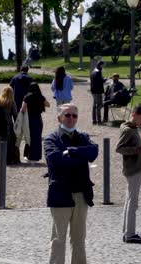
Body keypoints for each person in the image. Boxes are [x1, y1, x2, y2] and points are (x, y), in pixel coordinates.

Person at [44, 103, 98, 264]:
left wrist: (73, 152)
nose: (71, 118)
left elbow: (93, 152)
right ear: (59, 118)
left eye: (74, 115)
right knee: (58, 239)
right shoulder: (51, 138)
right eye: (67, 115)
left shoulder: (83, 136)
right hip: (60, 194)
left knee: (79, 239)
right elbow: (57, 161)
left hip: (81, 194)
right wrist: (81, 158)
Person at [116, 104, 141, 244]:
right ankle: (130, 234)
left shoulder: (131, 127)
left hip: (134, 168)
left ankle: (127, 232)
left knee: (129, 200)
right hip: (133, 169)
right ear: (134, 114)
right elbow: (120, 148)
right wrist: (139, 148)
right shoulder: (128, 130)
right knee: (133, 202)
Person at [20, 82, 50, 162]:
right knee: (37, 138)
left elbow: (23, 109)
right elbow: (48, 105)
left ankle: (29, 155)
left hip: (29, 119)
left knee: (29, 137)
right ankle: (36, 156)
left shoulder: (27, 97)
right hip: (38, 119)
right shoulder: (41, 97)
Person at [0, 86, 20, 165]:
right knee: (10, 142)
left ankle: (1, 158)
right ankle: (9, 159)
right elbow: (15, 115)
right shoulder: (11, 102)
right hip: (8, 125)